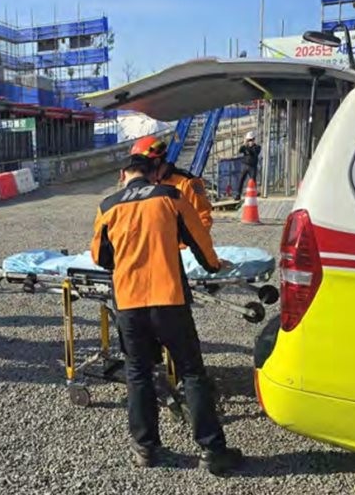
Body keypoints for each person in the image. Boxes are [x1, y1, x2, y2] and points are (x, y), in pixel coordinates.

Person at [90, 153, 243, 475]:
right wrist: (213, 265)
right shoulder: (170, 196)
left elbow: (100, 258)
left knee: (138, 373)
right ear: (153, 175)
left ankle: (146, 448)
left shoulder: (108, 206)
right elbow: (199, 238)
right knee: (191, 372)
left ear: (123, 175)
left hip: (129, 303)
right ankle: (212, 450)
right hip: (169, 298)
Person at [131, 135, 213, 232]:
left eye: (143, 168)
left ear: (156, 162)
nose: (141, 173)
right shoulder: (147, 186)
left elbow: (203, 218)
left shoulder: (186, 183)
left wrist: (184, 241)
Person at [236, 131, 261, 200]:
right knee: (241, 180)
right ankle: (238, 194)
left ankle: (253, 194)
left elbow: (254, 153)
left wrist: (250, 147)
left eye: (251, 140)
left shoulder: (257, 147)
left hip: (252, 166)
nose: (250, 141)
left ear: (254, 140)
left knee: (253, 181)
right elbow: (240, 150)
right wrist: (244, 144)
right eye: (249, 140)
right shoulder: (245, 147)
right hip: (245, 165)